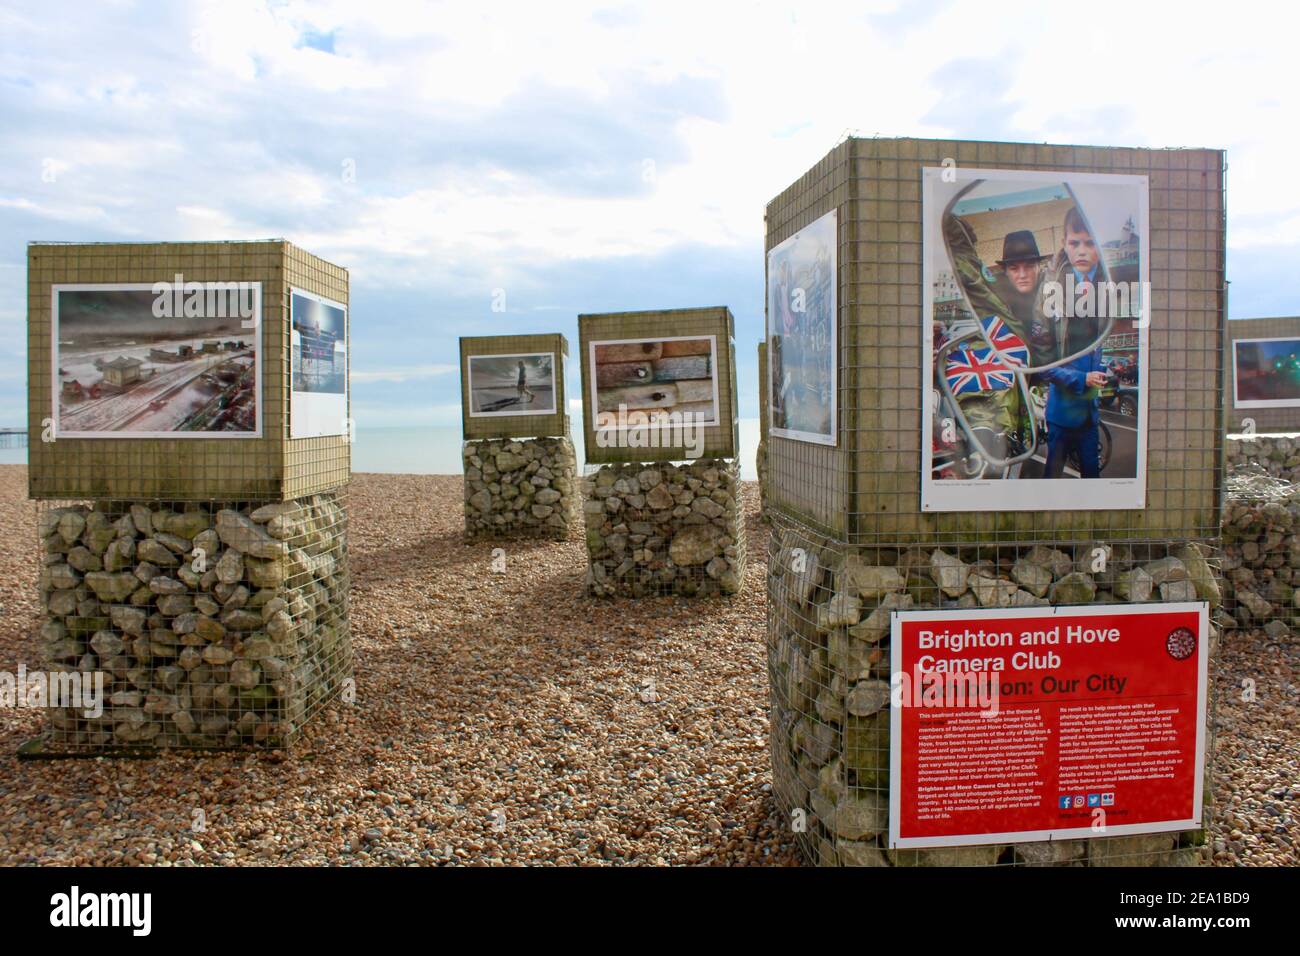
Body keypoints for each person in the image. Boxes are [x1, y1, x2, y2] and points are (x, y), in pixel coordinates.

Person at [1040, 207, 1110, 478]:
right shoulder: (1052, 295)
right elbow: (1045, 367)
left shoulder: (1106, 289)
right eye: (1075, 243)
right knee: (1053, 478)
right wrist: (1084, 379)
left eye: (1090, 243)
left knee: (1093, 478)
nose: (1082, 251)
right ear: (1064, 244)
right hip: (1063, 416)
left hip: (1089, 417)